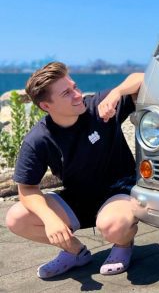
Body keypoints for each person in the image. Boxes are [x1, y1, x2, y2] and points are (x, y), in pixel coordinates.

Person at [4, 62, 144, 278]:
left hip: (119, 193)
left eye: (75, 87)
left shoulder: (98, 106)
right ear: (46, 106)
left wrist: (117, 91)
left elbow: (142, 78)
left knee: (113, 226)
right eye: (67, 93)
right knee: (16, 218)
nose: (77, 95)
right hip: (77, 201)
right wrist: (50, 219)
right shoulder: (39, 139)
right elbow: (27, 189)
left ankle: (123, 244)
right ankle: (75, 252)